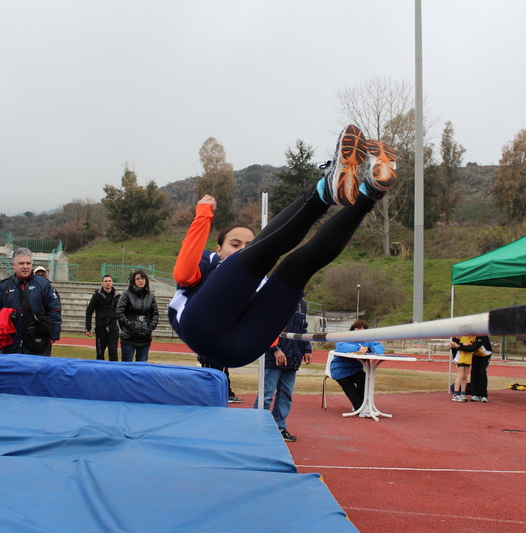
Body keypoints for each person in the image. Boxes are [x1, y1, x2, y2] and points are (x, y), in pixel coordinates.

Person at [169, 124, 396, 368]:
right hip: (203, 329)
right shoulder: (209, 262)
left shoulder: (259, 282)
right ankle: (324, 192)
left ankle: (369, 193)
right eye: (235, 244)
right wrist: (203, 214)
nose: (242, 247)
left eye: (247, 242)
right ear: (218, 248)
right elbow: (183, 272)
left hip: (242, 350)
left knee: (299, 266)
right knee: (263, 253)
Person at [254, 299, 313, 442]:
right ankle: (256, 428)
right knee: (266, 395)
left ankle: (279, 427)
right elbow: (265, 327)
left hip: (293, 357)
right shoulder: (275, 298)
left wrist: (306, 349)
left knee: (286, 394)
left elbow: (302, 329)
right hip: (273, 357)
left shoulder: (301, 302)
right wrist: (275, 350)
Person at [0, 247, 62, 355]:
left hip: (37, 341)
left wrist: (54, 333)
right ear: (13, 265)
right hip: (11, 342)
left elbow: (54, 310)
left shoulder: (44, 285)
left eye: (28, 263)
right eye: (21, 263)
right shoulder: (4, 286)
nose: (25, 267)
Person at [332, 320, 384, 416]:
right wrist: (358, 349)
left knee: (364, 379)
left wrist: (370, 349)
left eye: (362, 331)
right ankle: (360, 408)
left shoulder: (368, 340)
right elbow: (340, 346)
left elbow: (380, 348)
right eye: (357, 330)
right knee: (349, 386)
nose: (359, 333)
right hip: (340, 369)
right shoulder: (346, 338)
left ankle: (362, 406)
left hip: (356, 369)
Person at [116, 269, 159, 362]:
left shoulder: (150, 296)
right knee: (127, 367)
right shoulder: (126, 294)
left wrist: (150, 327)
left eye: (143, 278)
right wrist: (130, 326)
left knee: (142, 367)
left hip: (145, 338)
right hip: (129, 337)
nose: (141, 281)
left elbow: (155, 314)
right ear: (133, 281)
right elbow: (120, 312)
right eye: (138, 278)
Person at [85, 275, 121, 361]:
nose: (108, 283)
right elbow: (89, 311)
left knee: (113, 352)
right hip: (101, 327)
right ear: (102, 283)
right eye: (106, 281)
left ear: (112, 283)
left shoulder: (118, 296)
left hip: (113, 327)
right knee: (100, 352)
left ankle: (113, 371)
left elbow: (122, 312)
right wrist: (88, 328)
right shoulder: (97, 296)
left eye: (109, 281)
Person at [451, 336, 492, 402]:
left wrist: (459, 346)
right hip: (467, 357)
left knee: (481, 373)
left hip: (485, 355)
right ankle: (473, 394)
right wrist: (459, 343)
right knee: (471, 373)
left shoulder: (481, 335)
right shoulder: (462, 335)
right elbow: (452, 345)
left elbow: (473, 348)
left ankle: (483, 395)